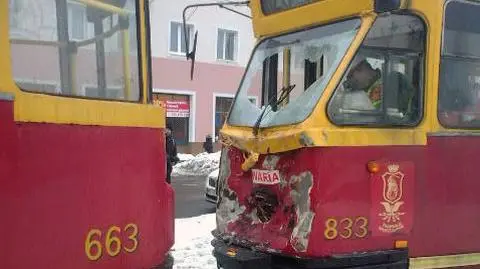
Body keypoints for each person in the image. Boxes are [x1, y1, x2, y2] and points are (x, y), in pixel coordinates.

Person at [343, 57, 418, 120]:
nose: (351, 82)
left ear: (363, 69)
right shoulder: (365, 90)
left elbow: (391, 116)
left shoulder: (393, 80)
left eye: (351, 76)